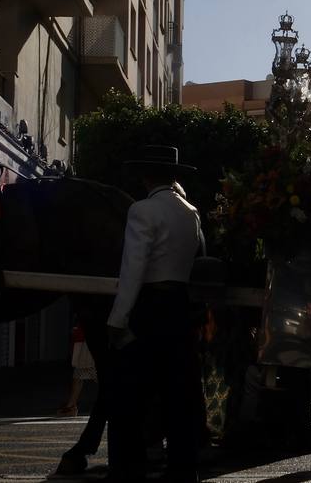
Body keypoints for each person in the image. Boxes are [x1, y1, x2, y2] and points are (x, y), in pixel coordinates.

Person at [107, 145, 206, 483]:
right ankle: (183, 467)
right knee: (179, 392)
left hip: (149, 307)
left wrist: (117, 318)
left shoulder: (142, 210)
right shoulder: (191, 212)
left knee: (128, 393)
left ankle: (127, 467)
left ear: (146, 176)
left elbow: (133, 268)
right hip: (179, 305)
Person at [59, 322, 96, 416]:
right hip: (85, 337)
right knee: (79, 373)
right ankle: (71, 406)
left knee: (87, 370)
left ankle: (71, 406)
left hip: (91, 338)